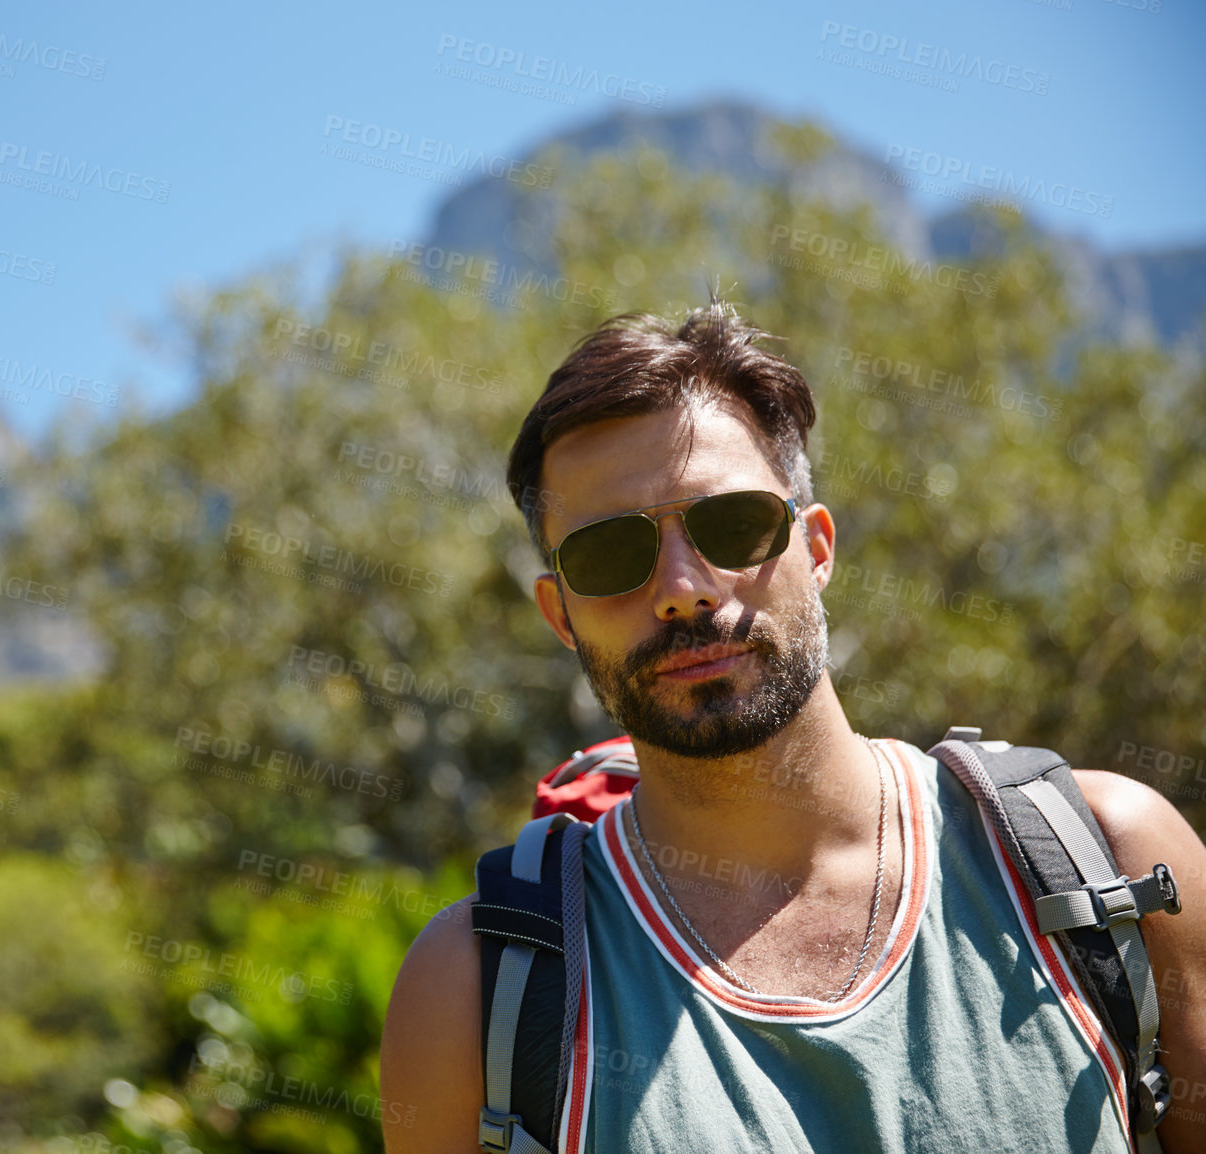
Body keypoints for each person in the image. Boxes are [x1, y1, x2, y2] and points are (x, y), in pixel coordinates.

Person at [379, 303, 1206, 1153]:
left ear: (814, 549)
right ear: (560, 615)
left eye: (731, 526)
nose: (682, 589)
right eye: (606, 556)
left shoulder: (1112, 860)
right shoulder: (469, 989)